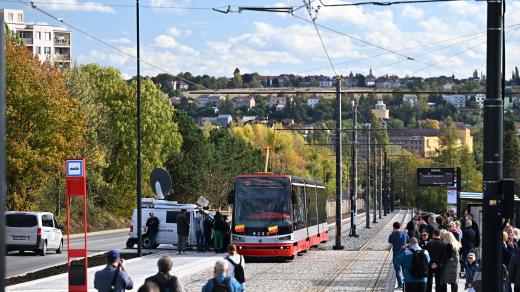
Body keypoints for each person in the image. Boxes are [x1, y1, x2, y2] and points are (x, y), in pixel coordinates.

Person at [389, 221, 409, 289]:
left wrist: (392, 233)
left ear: (393, 227)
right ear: (400, 227)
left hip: (396, 254)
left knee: (397, 270)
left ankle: (400, 284)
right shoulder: (405, 234)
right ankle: (405, 284)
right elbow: (408, 240)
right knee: (404, 269)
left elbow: (390, 241)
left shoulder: (392, 235)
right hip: (404, 254)